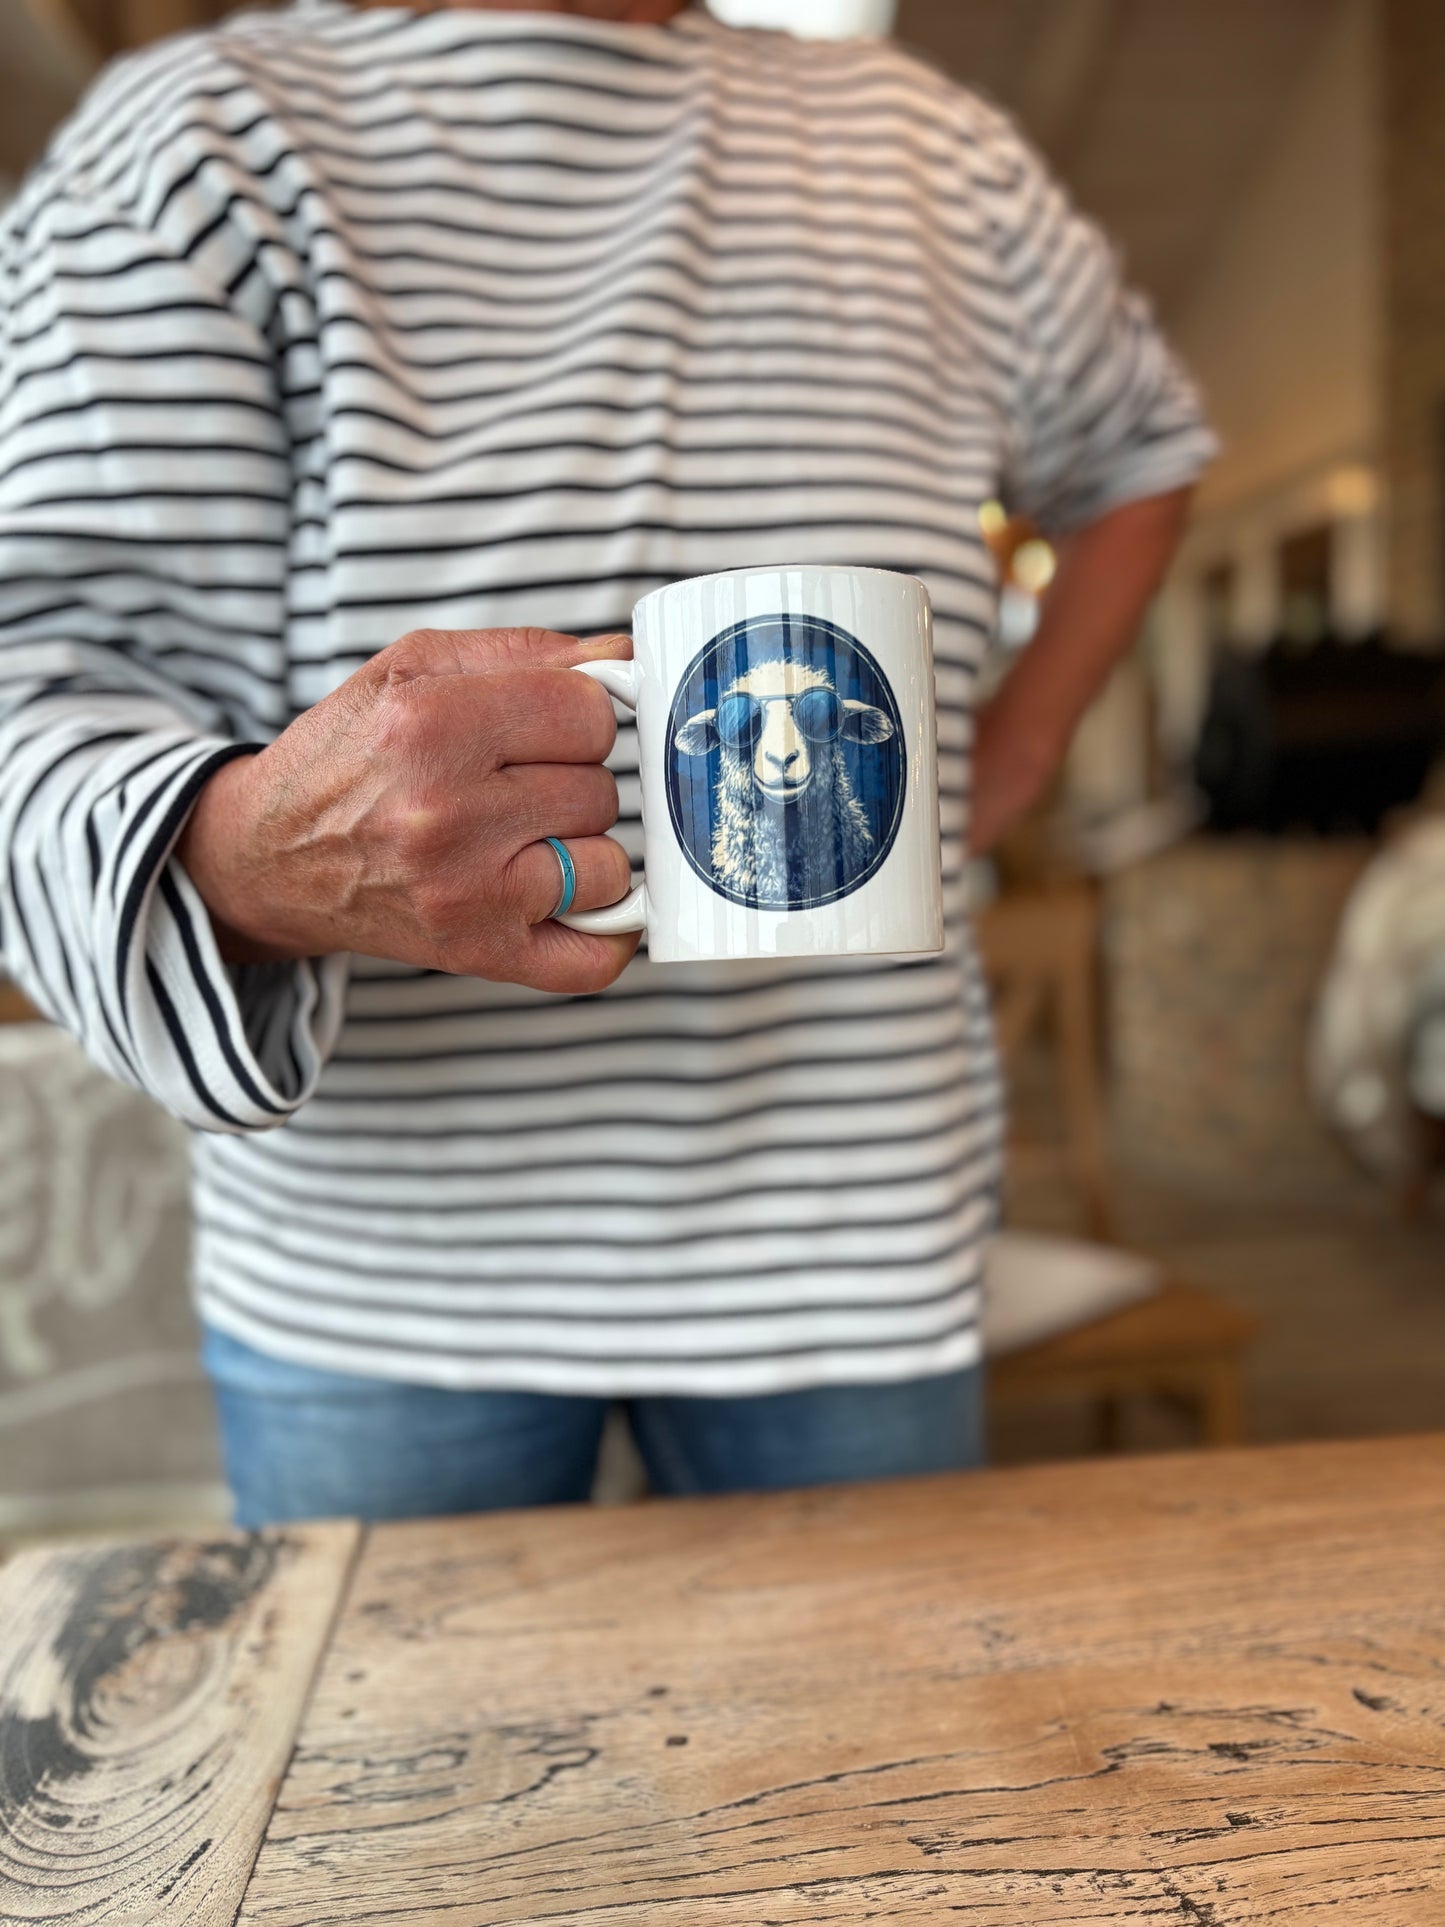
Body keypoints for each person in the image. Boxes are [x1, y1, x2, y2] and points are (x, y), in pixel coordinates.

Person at [0, 0, 1212, 1525]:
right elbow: (32, 657)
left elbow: (1139, 448)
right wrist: (246, 852)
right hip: (389, 1269)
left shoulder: (936, 155)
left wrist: (1017, 745)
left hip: (849, 1230)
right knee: (413, 1695)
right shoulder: (199, 143)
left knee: (877, 1693)